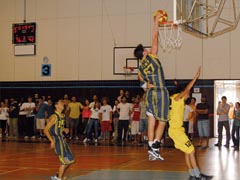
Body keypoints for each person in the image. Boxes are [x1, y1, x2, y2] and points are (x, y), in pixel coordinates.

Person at [134, 12, 169, 160]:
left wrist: (147, 85)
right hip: (160, 91)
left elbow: (142, 84)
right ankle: (155, 145)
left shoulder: (140, 69)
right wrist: (156, 22)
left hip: (149, 94)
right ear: (144, 52)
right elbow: (155, 37)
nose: (148, 48)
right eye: (145, 48)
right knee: (162, 120)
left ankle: (150, 146)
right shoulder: (152, 56)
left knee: (151, 120)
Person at [169, 67, 212, 180]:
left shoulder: (176, 99)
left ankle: (193, 175)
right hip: (176, 131)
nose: (189, 94)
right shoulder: (176, 98)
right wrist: (195, 78)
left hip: (177, 130)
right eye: (188, 92)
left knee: (188, 152)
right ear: (184, 92)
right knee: (191, 150)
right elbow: (186, 89)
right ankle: (198, 175)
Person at [44, 100, 75, 180]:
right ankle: (58, 178)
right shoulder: (54, 117)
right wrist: (52, 141)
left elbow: (58, 127)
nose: (63, 104)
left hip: (62, 140)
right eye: (61, 103)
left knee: (70, 160)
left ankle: (57, 176)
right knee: (63, 162)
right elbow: (46, 130)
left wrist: (64, 129)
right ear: (56, 106)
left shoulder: (62, 115)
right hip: (57, 140)